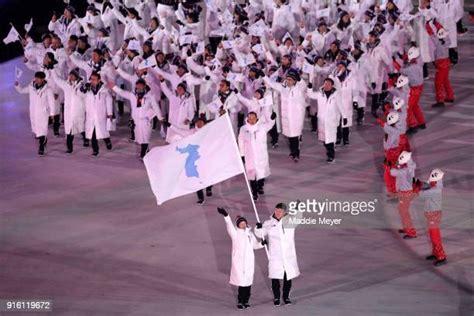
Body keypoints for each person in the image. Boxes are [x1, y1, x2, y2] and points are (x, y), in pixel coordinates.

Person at [216, 207, 263, 309]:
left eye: (244, 222)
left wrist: (262, 244)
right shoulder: (235, 234)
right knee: (241, 284)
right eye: (240, 223)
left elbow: (255, 246)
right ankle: (240, 301)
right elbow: (229, 226)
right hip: (239, 263)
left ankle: (246, 301)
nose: (243, 224)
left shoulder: (250, 235)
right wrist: (226, 215)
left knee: (248, 284)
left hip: (249, 263)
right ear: (237, 225)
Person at [255, 203, 300, 306]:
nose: (278, 213)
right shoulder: (269, 223)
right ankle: (276, 297)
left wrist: (298, 209)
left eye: (280, 211)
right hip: (275, 256)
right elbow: (260, 233)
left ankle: (286, 297)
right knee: (275, 278)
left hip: (288, 255)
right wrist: (258, 228)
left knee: (287, 277)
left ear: (284, 212)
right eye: (276, 210)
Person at [109, 78, 162, 160]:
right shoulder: (133, 95)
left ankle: (143, 154)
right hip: (136, 121)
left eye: (141, 85)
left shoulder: (150, 96)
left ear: (144, 86)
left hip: (145, 120)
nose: (139, 87)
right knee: (140, 138)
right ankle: (146, 149)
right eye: (138, 85)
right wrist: (114, 87)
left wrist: (160, 117)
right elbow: (123, 93)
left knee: (145, 137)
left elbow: (156, 107)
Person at [263, 69, 307, 162]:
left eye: (290, 80)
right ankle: (293, 151)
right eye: (287, 79)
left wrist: (299, 77)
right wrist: (264, 76)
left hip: (296, 117)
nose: (288, 81)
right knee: (290, 136)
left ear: (295, 80)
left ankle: (296, 154)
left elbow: (303, 84)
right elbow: (272, 84)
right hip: (287, 117)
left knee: (295, 137)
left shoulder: (299, 88)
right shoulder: (283, 88)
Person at [15, 71, 55, 156]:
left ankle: (41, 146)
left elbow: (52, 102)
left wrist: (52, 113)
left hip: (43, 113)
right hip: (33, 111)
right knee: (37, 129)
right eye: (35, 78)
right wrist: (17, 85)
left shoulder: (48, 89)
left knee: (42, 129)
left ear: (43, 79)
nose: (36, 80)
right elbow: (22, 91)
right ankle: (43, 139)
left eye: (38, 78)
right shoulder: (31, 86)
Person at [238, 111, 276, 201]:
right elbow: (240, 141)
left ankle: (260, 187)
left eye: (253, 118)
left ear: (256, 119)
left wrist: (273, 118)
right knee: (252, 175)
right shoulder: (243, 129)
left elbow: (270, 124)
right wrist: (242, 154)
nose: (251, 120)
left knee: (261, 173)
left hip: (261, 155)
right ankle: (254, 193)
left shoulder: (262, 127)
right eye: (249, 118)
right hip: (249, 156)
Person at [51, 68, 88, 154]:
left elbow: (85, 97)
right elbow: (56, 79)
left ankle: (86, 139)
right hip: (68, 112)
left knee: (80, 128)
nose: (71, 76)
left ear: (76, 76)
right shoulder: (66, 85)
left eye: (73, 75)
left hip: (78, 111)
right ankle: (69, 148)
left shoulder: (81, 85)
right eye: (70, 75)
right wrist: (52, 69)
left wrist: (82, 91)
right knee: (69, 130)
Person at [307, 78, 344, 164]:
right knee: (324, 140)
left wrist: (344, 117)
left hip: (331, 121)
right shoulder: (320, 94)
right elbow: (311, 95)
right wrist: (309, 87)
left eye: (328, 84)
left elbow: (340, 106)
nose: (326, 86)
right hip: (322, 121)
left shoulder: (336, 95)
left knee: (330, 139)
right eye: (325, 84)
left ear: (332, 85)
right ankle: (330, 149)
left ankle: (331, 156)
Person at [416, 169, 447, 266]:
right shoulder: (434, 183)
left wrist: (417, 187)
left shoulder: (435, 190)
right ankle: (435, 253)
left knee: (435, 237)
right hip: (431, 214)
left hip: (434, 215)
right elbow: (426, 183)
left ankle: (441, 257)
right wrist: (418, 182)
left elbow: (421, 195)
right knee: (432, 235)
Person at [82, 72, 113, 157]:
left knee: (103, 132)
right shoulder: (87, 89)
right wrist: (83, 89)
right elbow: (81, 96)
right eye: (91, 79)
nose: (92, 81)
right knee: (93, 133)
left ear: (99, 80)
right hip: (91, 115)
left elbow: (109, 101)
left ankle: (107, 141)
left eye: (94, 79)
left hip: (101, 115)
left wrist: (109, 113)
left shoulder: (104, 90)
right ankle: (95, 150)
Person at [390, 151, 417, 239]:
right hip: (406, 192)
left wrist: (394, 164)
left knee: (404, 212)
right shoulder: (409, 168)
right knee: (402, 211)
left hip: (405, 193)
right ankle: (406, 228)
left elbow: (392, 172)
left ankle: (411, 232)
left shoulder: (404, 171)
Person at [430, 28, 455, 108]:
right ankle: (450, 96)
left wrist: (427, 25)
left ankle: (440, 100)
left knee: (438, 82)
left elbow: (431, 35)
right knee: (445, 80)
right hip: (446, 61)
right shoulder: (447, 41)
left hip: (440, 63)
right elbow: (445, 33)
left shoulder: (437, 42)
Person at [194, 118, 213, 204]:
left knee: (208, 175)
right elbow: (181, 131)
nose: (199, 124)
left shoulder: (209, 132)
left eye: (201, 123)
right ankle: (200, 197)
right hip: (195, 159)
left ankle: (209, 188)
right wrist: (170, 125)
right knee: (196, 178)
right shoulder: (192, 132)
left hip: (207, 158)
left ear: (204, 124)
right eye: (197, 122)